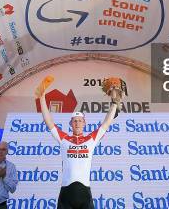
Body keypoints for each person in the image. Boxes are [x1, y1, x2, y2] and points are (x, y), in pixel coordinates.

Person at [37, 80, 120, 209]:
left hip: (85, 193)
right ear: (70, 124)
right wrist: (42, 98)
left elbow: (106, 123)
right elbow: (49, 122)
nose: (77, 123)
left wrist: (114, 103)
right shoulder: (64, 138)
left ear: (84, 123)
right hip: (66, 194)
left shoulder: (90, 139)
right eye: (74, 121)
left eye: (80, 121)